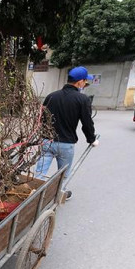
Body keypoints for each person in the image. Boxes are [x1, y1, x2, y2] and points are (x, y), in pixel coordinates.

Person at [35, 66, 99, 200]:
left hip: (47, 141)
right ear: (80, 82)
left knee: (39, 174)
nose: (85, 84)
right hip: (65, 144)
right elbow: (87, 123)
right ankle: (59, 194)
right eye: (85, 81)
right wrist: (92, 139)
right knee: (63, 175)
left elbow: (41, 118)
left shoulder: (51, 96)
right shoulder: (82, 99)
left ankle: (34, 196)